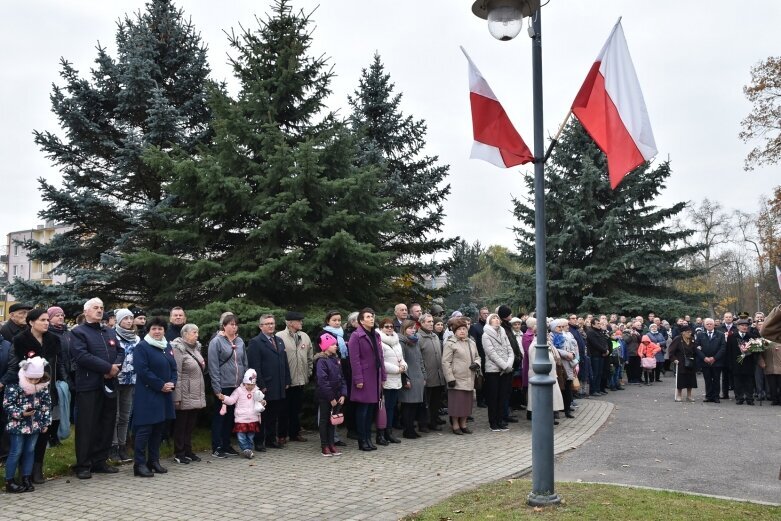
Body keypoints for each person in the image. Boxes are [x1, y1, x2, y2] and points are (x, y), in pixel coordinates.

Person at [8, 308, 68, 485]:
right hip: (26, 391)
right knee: (25, 433)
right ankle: (22, 472)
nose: (46, 323)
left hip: (47, 390)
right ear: (31, 322)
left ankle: (37, 468)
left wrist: (63, 382)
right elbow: (14, 365)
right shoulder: (20, 340)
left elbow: (59, 363)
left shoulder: (53, 340)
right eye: (42, 320)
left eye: (47, 320)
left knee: (43, 430)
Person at [70, 297, 124, 480]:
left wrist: (116, 366)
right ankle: (83, 465)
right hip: (89, 385)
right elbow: (82, 356)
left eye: (101, 307)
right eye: (95, 308)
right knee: (87, 425)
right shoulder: (78, 332)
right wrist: (107, 368)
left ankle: (100, 461)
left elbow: (121, 351)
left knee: (107, 423)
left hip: (109, 384)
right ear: (86, 312)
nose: (100, 310)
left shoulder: (109, 331)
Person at [131, 316, 177, 477]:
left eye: (160, 329)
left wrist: (172, 382)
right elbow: (142, 370)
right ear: (149, 331)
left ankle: (154, 461)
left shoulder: (167, 346)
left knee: (159, 428)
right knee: (145, 429)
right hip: (148, 394)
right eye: (154, 329)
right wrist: (160, 385)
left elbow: (173, 368)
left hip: (164, 395)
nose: (157, 332)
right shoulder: (142, 347)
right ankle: (139, 464)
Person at [3, 356, 51, 493]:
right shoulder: (14, 384)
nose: (33, 382)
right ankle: (9, 480)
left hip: (35, 424)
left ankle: (26, 478)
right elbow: (7, 404)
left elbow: (46, 405)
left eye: (37, 379)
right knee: (16, 451)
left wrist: (45, 422)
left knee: (30, 451)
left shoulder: (42, 386)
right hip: (17, 425)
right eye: (30, 379)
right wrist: (21, 413)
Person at [247, 314, 290, 451]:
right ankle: (259, 442)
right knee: (262, 415)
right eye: (267, 324)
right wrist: (261, 385)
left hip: (279, 384)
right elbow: (255, 366)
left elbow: (284, 362)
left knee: (274, 414)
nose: (271, 325)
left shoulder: (279, 340)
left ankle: (271, 439)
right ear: (261, 326)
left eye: (272, 323)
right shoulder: (256, 342)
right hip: (266, 385)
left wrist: (287, 379)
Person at [207, 313, 247, 458]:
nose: (234, 327)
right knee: (220, 416)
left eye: (236, 324)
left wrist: (244, 383)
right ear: (224, 326)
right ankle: (217, 446)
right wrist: (217, 389)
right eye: (231, 324)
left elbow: (244, 362)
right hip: (223, 385)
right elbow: (213, 366)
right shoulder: (216, 342)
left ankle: (226, 444)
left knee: (231, 416)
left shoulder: (240, 341)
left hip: (237, 385)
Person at [348, 308, 386, 452]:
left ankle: (368, 438)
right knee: (363, 409)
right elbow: (354, 360)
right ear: (361, 320)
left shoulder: (375, 335)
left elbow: (380, 356)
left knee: (371, 409)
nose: (372, 319)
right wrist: (358, 378)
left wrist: (383, 376)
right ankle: (362, 440)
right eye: (368, 317)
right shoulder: (356, 336)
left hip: (375, 376)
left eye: (372, 316)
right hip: (364, 377)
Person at [171, 323, 206, 463]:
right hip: (184, 392)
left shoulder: (197, 348)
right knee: (181, 425)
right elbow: (177, 373)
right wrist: (177, 396)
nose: (197, 335)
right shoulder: (178, 348)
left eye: (197, 332)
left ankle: (188, 451)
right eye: (194, 332)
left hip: (196, 392)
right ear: (184, 334)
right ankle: (179, 453)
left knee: (190, 425)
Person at [277, 311, 312, 444]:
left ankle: (294, 433)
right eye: (299, 321)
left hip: (300, 380)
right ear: (290, 323)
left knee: (296, 409)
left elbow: (309, 357)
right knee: (283, 410)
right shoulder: (279, 336)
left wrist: (308, 373)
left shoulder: (305, 337)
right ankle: (281, 435)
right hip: (286, 381)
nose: (301, 323)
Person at [441, 318, 480, 435]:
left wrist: (477, 364)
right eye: (459, 329)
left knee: (467, 404)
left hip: (469, 377)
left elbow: (478, 357)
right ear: (455, 331)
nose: (462, 331)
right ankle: (455, 424)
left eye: (464, 329)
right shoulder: (450, 343)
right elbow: (445, 362)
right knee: (457, 404)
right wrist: (450, 378)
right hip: (456, 378)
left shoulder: (471, 343)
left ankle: (463, 424)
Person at [110, 308, 139, 463]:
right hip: (116, 379)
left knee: (125, 415)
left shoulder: (136, 338)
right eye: (125, 318)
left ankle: (122, 446)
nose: (129, 321)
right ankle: (113, 447)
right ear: (119, 320)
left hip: (131, 381)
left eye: (131, 318)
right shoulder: (113, 336)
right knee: (115, 415)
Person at [218, 369, 266, 459]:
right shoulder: (239, 391)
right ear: (244, 382)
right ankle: (245, 449)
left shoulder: (257, 391)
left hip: (253, 418)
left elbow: (261, 401)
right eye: (248, 384)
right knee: (241, 436)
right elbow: (232, 400)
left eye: (252, 385)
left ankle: (249, 449)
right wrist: (224, 398)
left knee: (251, 436)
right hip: (241, 418)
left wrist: (263, 402)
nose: (250, 387)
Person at [313, 333, 346, 457]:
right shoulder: (322, 361)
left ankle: (332, 444)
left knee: (333, 421)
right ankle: (324, 445)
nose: (335, 346)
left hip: (337, 395)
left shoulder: (336, 359)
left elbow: (342, 378)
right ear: (325, 347)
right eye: (333, 344)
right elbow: (322, 381)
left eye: (335, 344)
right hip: (325, 396)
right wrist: (331, 397)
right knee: (324, 420)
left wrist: (343, 394)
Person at [526, 318, 564, 423]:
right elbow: (536, 363)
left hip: (550, 375)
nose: (547, 334)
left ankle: (549, 416)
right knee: (541, 400)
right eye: (545, 333)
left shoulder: (548, 344)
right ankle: (542, 419)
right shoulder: (535, 346)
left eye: (547, 332)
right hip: (540, 377)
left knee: (550, 399)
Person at [482, 313, 514, 432]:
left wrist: (509, 364)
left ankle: (501, 420)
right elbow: (491, 353)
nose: (496, 320)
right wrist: (504, 365)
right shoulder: (486, 335)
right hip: (493, 370)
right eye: (493, 318)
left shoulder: (503, 333)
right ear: (489, 321)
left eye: (497, 318)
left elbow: (510, 350)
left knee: (503, 396)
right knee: (493, 397)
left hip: (506, 369)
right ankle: (493, 422)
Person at [379, 318, 405, 444]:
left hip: (397, 378)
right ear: (381, 328)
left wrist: (403, 366)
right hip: (387, 378)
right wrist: (396, 369)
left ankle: (389, 432)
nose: (389, 328)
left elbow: (401, 358)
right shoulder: (380, 341)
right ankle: (382, 433)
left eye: (391, 326)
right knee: (385, 407)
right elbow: (381, 361)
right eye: (386, 326)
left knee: (392, 407)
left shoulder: (396, 341)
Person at [397, 319, 425, 439]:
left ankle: (411, 428)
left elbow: (420, 360)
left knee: (415, 405)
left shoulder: (416, 342)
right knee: (407, 405)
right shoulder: (401, 343)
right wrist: (405, 379)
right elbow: (401, 362)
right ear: (404, 329)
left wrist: (424, 375)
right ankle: (408, 430)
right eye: (410, 328)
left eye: (414, 328)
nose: (413, 330)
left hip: (418, 377)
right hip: (409, 378)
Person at [418, 314, 445, 432]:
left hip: (438, 375)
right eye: (428, 322)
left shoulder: (435, 336)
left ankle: (433, 422)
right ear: (422, 323)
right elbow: (418, 358)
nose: (431, 324)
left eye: (432, 322)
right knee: (425, 402)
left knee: (435, 402)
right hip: (426, 376)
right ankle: (423, 423)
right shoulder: (418, 337)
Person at [694, 318, 726, 403]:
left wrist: (714, 358)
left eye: (710, 324)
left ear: (714, 325)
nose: (709, 325)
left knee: (716, 379)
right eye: (707, 324)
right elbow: (696, 348)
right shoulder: (700, 335)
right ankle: (708, 396)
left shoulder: (720, 334)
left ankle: (716, 396)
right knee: (707, 379)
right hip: (705, 361)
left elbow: (723, 348)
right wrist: (704, 358)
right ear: (704, 325)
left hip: (717, 361)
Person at [726, 319, 757, 405]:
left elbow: (756, 351)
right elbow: (729, 351)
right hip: (736, 363)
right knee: (737, 382)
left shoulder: (751, 337)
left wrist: (750, 350)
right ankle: (739, 398)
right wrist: (730, 364)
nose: (744, 327)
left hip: (748, 363)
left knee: (749, 382)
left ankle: (749, 398)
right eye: (742, 325)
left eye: (746, 326)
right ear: (738, 327)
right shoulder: (732, 337)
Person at [553, 319, 579, 419]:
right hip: (560, 365)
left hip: (568, 364)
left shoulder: (567, 335)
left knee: (568, 387)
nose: (562, 328)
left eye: (562, 326)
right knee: (560, 388)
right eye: (559, 326)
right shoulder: (552, 336)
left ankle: (567, 409)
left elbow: (572, 346)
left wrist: (572, 353)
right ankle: (559, 409)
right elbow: (554, 349)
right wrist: (566, 354)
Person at [668, 325, 697, 402]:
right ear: (683, 332)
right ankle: (679, 395)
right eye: (688, 332)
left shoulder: (692, 339)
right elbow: (671, 351)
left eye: (690, 332)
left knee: (691, 379)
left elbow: (695, 350)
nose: (690, 333)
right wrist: (674, 359)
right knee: (681, 380)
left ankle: (689, 395)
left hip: (691, 361)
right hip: (681, 362)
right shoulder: (678, 339)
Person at [758, 319, 781, 405]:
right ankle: (774, 399)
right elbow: (759, 352)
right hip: (769, 364)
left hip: (779, 364)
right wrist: (761, 361)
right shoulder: (763, 338)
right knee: (772, 385)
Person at [586, 318, 609, 395]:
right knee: (595, 373)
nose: (599, 325)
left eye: (599, 323)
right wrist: (604, 350)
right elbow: (595, 344)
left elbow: (604, 341)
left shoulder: (600, 332)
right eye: (597, 323)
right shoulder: (590, 332)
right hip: (595, 355)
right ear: (593, 324)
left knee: (600, 373)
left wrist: (606, 350)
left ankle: (598, 389)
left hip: (601, 355)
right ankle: (593, 390)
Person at [623, 321, 643, 385]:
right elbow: (626, 341)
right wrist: (631, 335)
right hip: (630, 352)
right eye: (631, 327)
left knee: (636, 366)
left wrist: (638, 335)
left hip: (637, 352)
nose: (633, 328)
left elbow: (641, 341)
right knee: (630, 367)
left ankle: (636, 378)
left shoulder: (637, 333)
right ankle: (630, 379)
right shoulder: (625, 333)